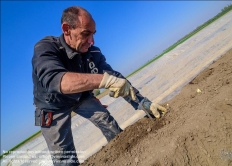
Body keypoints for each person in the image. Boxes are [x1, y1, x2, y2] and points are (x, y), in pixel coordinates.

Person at [32, 6, 167, 166]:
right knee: (64, 157)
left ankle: (126, 157)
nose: (92, 41)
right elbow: (57, 80)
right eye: (85, 33)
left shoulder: (92, 53)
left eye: (93, 34)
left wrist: (143, 103)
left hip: (81, 97)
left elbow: (116, 78)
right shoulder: (46, 48)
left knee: (106, 120)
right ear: (67, 29)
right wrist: (105, 81)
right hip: (52, 106)